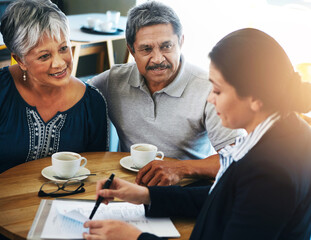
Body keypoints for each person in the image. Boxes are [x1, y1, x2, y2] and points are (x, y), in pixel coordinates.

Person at [83, 28, 311, 240]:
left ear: (255, 98)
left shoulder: (271, 172)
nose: (211, 98)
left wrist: (135, 237)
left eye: (218, 90)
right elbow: (223, 198)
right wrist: (146, 195)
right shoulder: (279, 133)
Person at [89, 1, 242, 186]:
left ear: (181, 42)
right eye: (146, 49)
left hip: (186, 191)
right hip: (129, 187)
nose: (158, 59)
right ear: (131, 50)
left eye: (166, 46)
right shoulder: (113, 81)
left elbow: (238, 158)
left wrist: (180, 168)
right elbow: (76, 94)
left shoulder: (209, 88)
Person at [0, 0, 108, 173]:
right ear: (20, 60)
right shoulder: (2, 91)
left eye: (64, 48)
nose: (58, 63)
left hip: (69, 199)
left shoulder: (93, 103)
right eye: (44, 56)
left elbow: (96, 171)